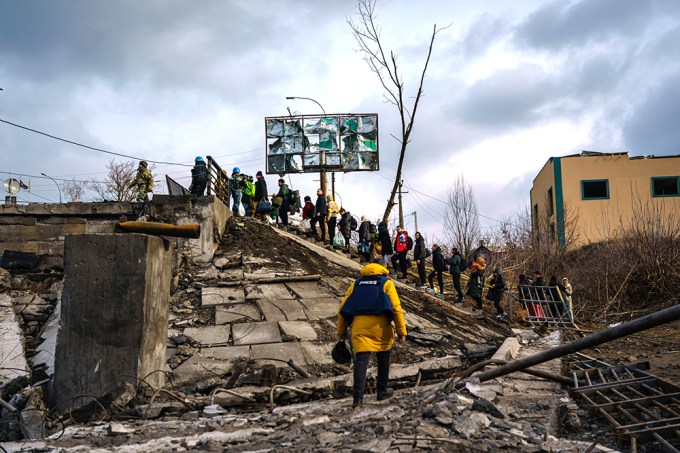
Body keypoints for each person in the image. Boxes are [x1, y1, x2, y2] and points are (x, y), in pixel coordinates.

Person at [337, 258, 407, 408]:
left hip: (359, 328)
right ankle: (382, 391)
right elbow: (396, 308)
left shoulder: (356, 283)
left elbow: (342, 308)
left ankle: (357, 400)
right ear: (383, 267)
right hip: (380, 328)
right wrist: (402, 331)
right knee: (383, 356)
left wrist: (342, 331)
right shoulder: (386, 283)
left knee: (361, 361)